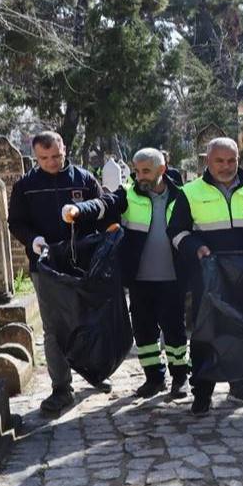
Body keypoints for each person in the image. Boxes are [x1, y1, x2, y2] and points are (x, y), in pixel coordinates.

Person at [168, 137, 243, 415]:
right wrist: (197, 248)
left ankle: (241, 387)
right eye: (219, 160)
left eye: (231, 160)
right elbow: (177, 232)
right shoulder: (190, 192)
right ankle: (202, 393)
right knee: (206, 333)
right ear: (208, 161)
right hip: (208, 278)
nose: (226, 166)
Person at [64, 148, 190, 401]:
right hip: (139, 279)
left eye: (146, 171)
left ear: (161, 170)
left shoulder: (182, 196)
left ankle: (180, 377)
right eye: (136, 170)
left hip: (173, 278)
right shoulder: (129, 194)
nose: (139, 176)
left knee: (175, 332)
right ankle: (154, 378)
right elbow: (103, 203)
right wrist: (79, 210)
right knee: (144, 333)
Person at [7, 130, 107, 415]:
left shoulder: (85, 180)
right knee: (53, 328)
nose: (51, 162)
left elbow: (102, 211)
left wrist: (82, 213)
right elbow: (16, 222)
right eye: (44, 158)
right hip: (45, 264)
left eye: (56, 156)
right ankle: (61, 388)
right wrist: (32, 239)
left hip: (82, 262)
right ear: (36, 156)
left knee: (88, 320)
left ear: (65, 149)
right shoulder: (26, 186)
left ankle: (96, 372)